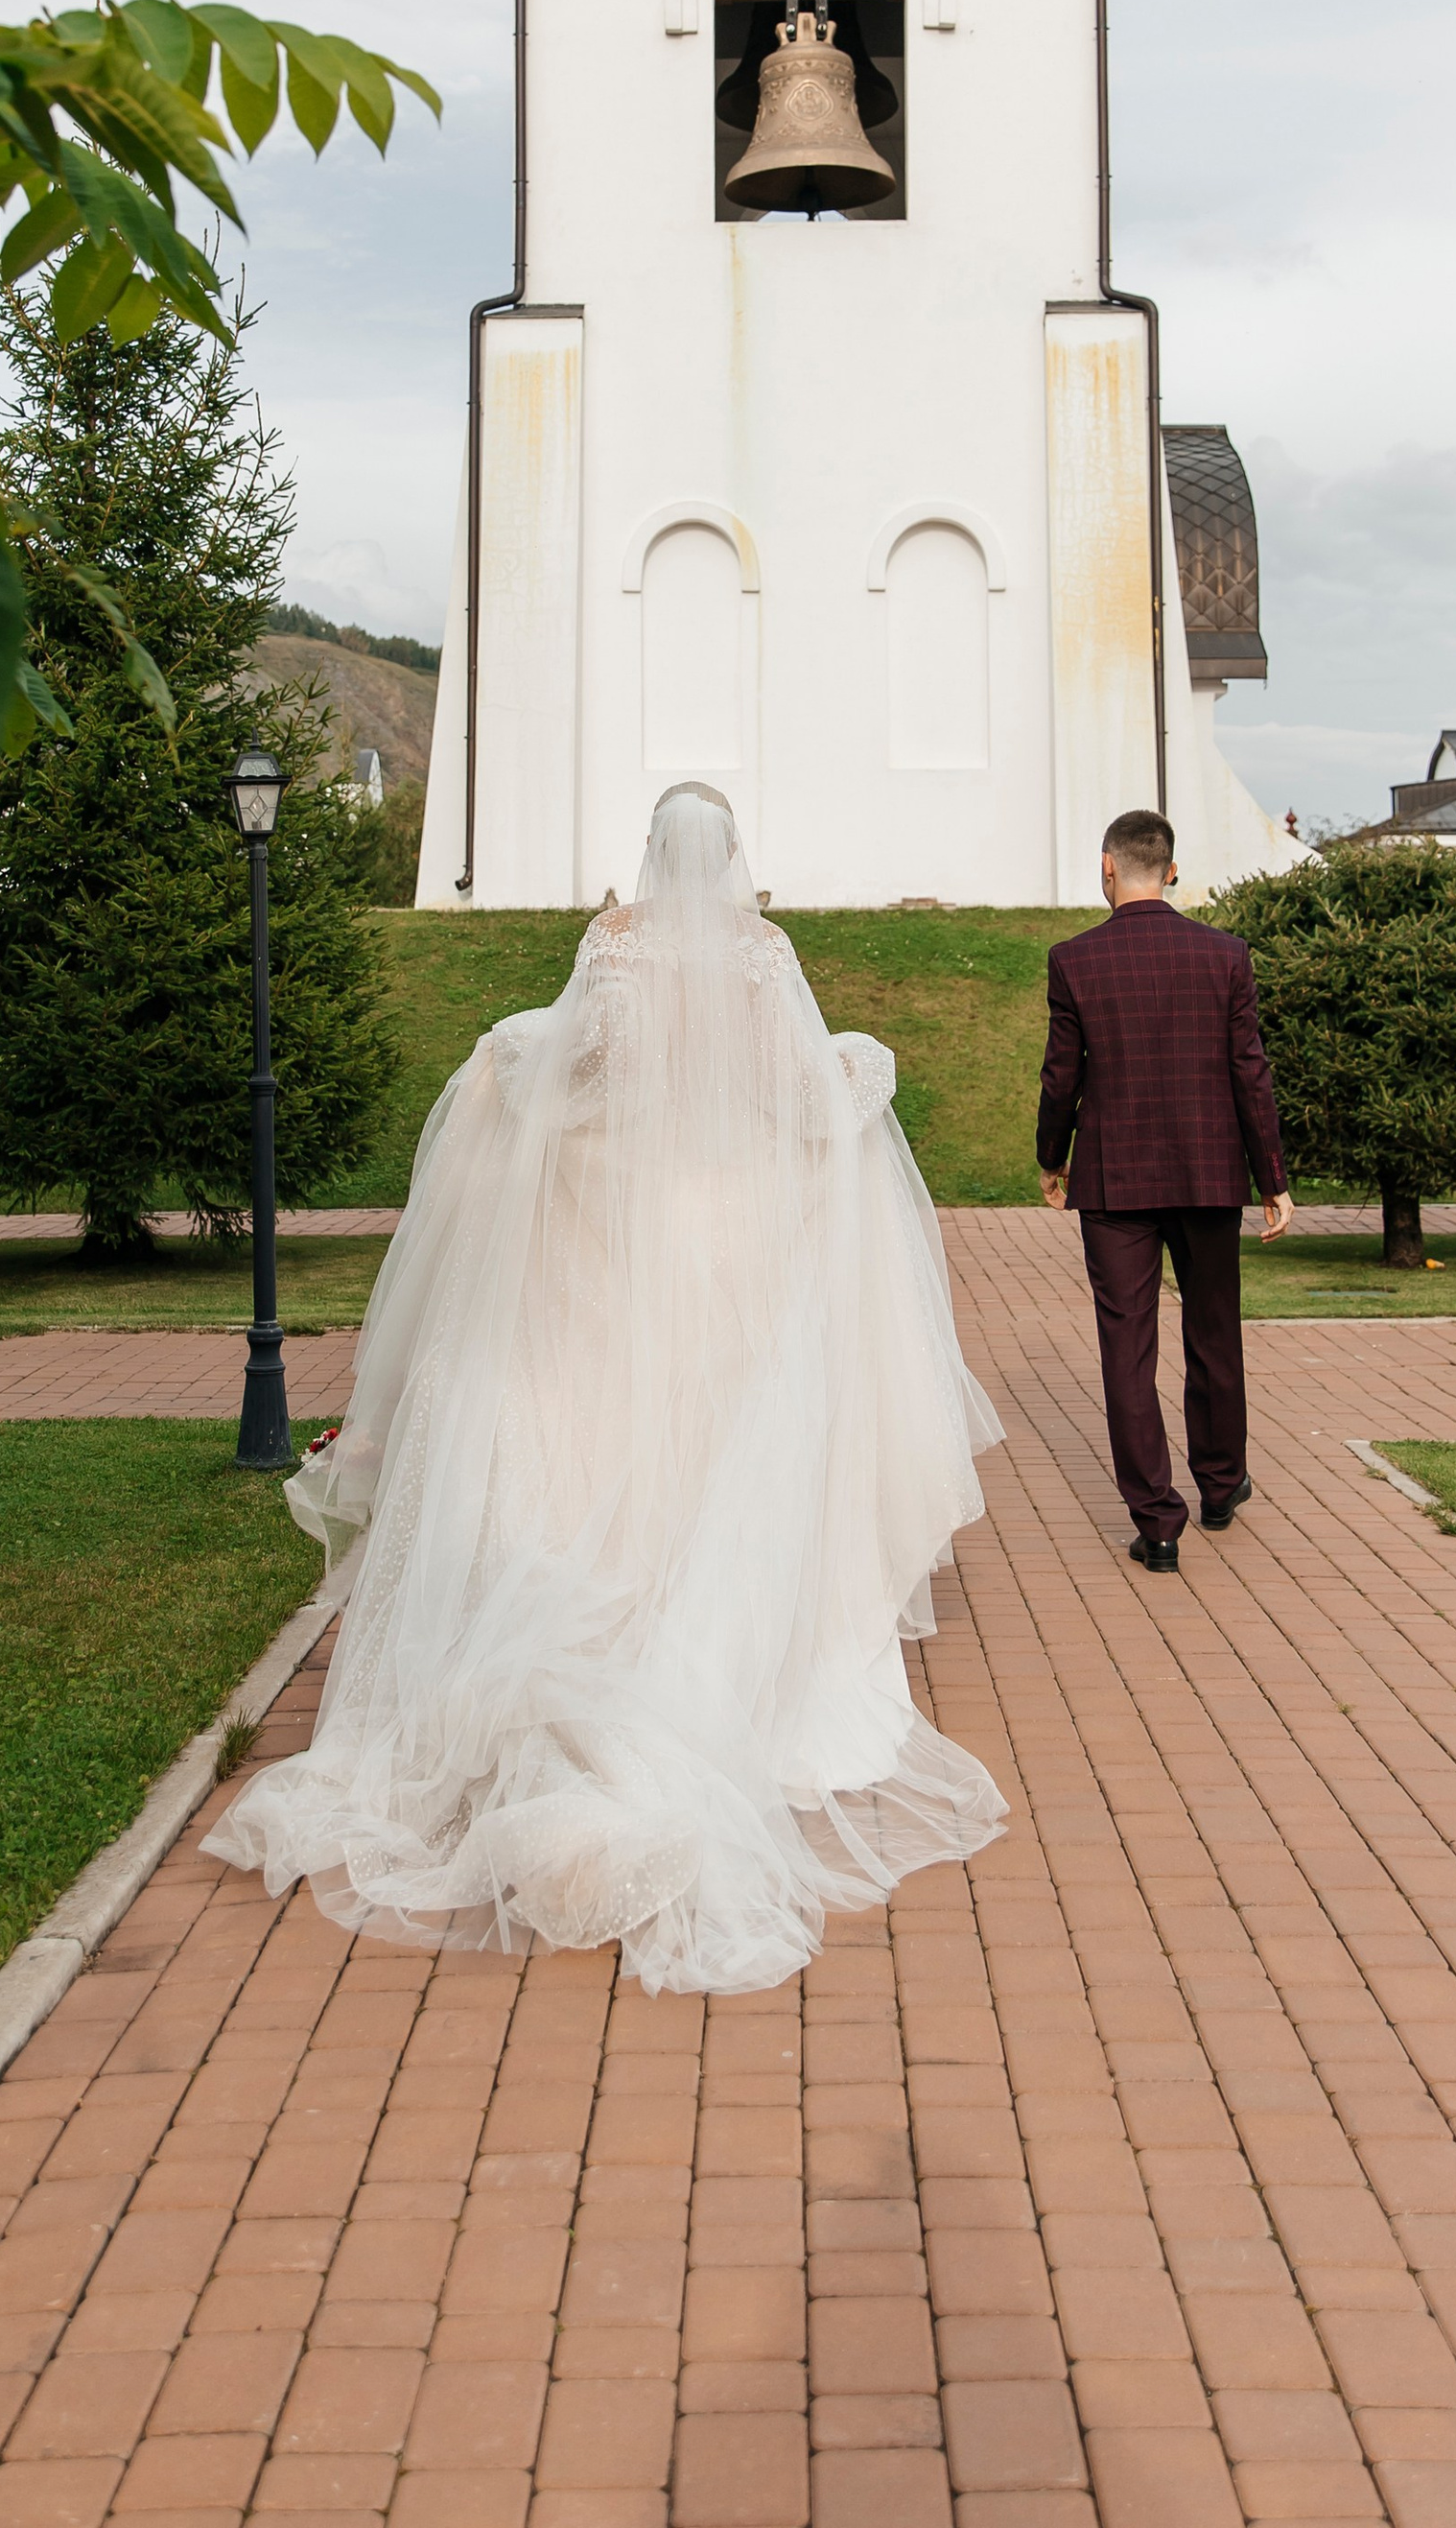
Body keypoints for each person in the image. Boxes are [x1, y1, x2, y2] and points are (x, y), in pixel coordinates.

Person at [205, 782, 1005, 1994]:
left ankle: (609, 1619)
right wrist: (851, 1073)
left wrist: (519, 1058)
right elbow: (793, 1094)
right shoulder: (761, 952)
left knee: (603, 1422)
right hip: (724, 1228)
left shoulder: (614, 942)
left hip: (619, 1223)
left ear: (648, 851)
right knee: (711, 1429)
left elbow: (577, 1074)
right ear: (734, 856)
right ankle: (705, 1644)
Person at [1036, 806, 1295, 1572]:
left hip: (1114, 1178)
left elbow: (1062, 1076)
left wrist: (1053, 1157)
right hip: (1210, 1170)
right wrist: (1272, 1178)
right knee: (1214, 1331)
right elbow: (1250, 1072)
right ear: (1171, 870)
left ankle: (1157, 1521)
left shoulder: (1074, 959)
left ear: (1108, 868)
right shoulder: (1226, 956)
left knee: (1128, 1345)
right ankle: (1220, 1485)